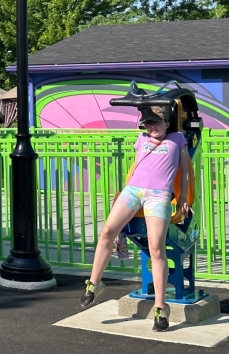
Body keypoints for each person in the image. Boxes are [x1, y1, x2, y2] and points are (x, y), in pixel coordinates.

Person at [80, 105, 191, 332]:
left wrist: (182, 198)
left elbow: (185, 170)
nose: (151, 126)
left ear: (167, 123)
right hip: (133, 191)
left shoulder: (177, 139)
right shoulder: (142, 139)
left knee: (156, 248)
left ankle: (160, 308)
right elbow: (136, 168)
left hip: (159, 194)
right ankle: (94, 284)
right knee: (107, 231)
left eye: (156, 122)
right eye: (147, 123)